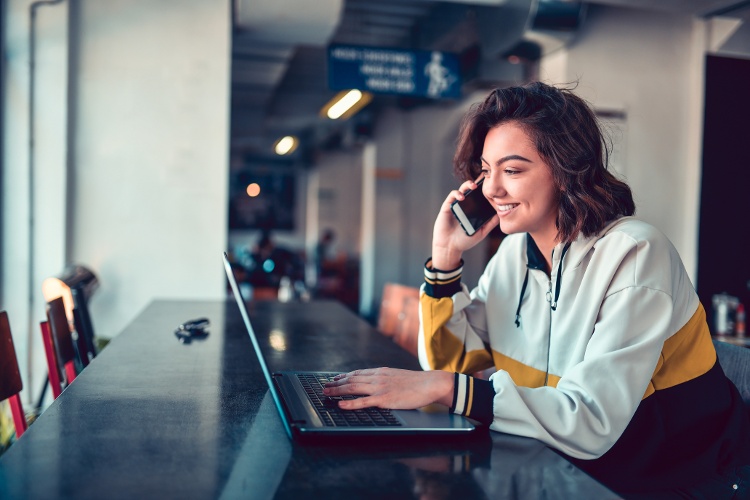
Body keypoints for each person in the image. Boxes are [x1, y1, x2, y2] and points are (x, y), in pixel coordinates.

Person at [324, 82, 750, 497]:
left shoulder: (635, 252)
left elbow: (590, 422)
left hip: (673, 481)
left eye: (512, 170)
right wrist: (445, 257)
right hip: (562, 466)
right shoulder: (514, 254)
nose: (491, 188)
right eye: (486, 170)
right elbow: (455, 365)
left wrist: (442, 388)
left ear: (566, 171)